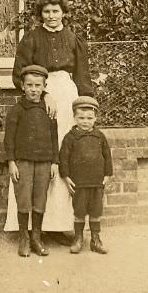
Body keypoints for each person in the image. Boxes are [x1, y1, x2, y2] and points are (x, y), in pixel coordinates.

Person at [4, 0, 94, 236]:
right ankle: (37, 227)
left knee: (66, 155)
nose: (51, 16)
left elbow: (83, 77)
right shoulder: (31, 39)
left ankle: (63, 224)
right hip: (38, 102)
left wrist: (85, 107)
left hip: (69, 99)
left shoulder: (74, 39)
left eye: (56, 11)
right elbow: (19, 76)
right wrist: (43, 94)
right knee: (42, 157)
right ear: (40, 15)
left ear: (63, 13)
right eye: (46, 12)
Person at [3, 65, 59, 257]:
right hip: (23, 162)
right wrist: (11, 162)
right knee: (24, 199)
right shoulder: (16, 111)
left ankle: (36, 237)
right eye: (30, 85)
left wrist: (54, 162)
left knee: (39, 199)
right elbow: (9, 139)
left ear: (44, 86)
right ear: (22, 86)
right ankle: (24, 238)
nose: (34, 89)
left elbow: (54, 137)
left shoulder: (49, 110)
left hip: (44, 161)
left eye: (38, 85)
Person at [59, 96, 113, 254]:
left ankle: (96, 240)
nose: (85, 121)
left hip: (96, 182)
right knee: (79, 211)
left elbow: (107, 155)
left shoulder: (100, 137)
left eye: (89, 118)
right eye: (81, 118)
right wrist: (66, 177)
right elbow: (64, 158)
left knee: (96, 211)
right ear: (74, 118)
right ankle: (78, 238)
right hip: (79, 182)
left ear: (95, 118)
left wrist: (107, 175)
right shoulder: (70, 138)